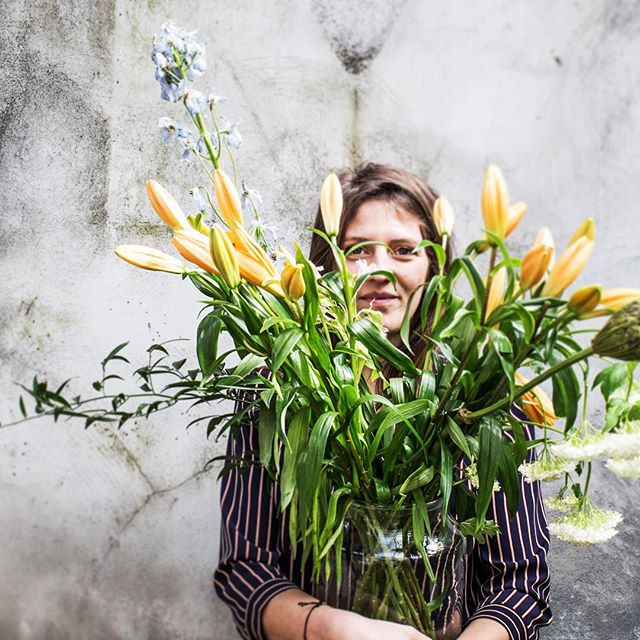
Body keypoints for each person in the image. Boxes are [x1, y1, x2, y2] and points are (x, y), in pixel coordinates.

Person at [214, 162, 552, 640]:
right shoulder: (275, 389)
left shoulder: (489, 392)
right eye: (357, 251)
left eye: (403, 250)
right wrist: (336, 631)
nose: (379, 271)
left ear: (435, 264)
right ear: (324, 264)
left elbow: (520, 580)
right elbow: (245, 569)